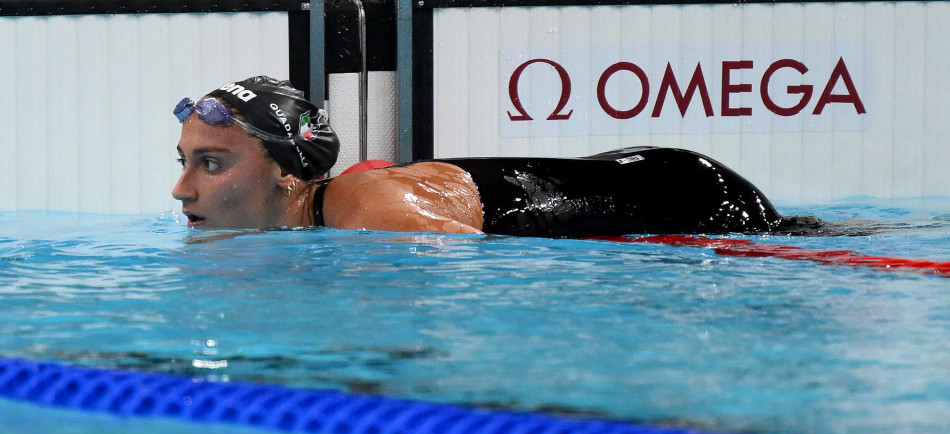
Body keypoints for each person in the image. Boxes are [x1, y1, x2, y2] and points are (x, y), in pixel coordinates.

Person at [173, 76, 825, 238]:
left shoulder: (367, 209)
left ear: (289, 174)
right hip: (630, 171)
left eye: (209, 163)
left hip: (689, 197)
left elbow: (490, 279)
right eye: (183, 161)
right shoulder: (339, 213)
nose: (180, 190)